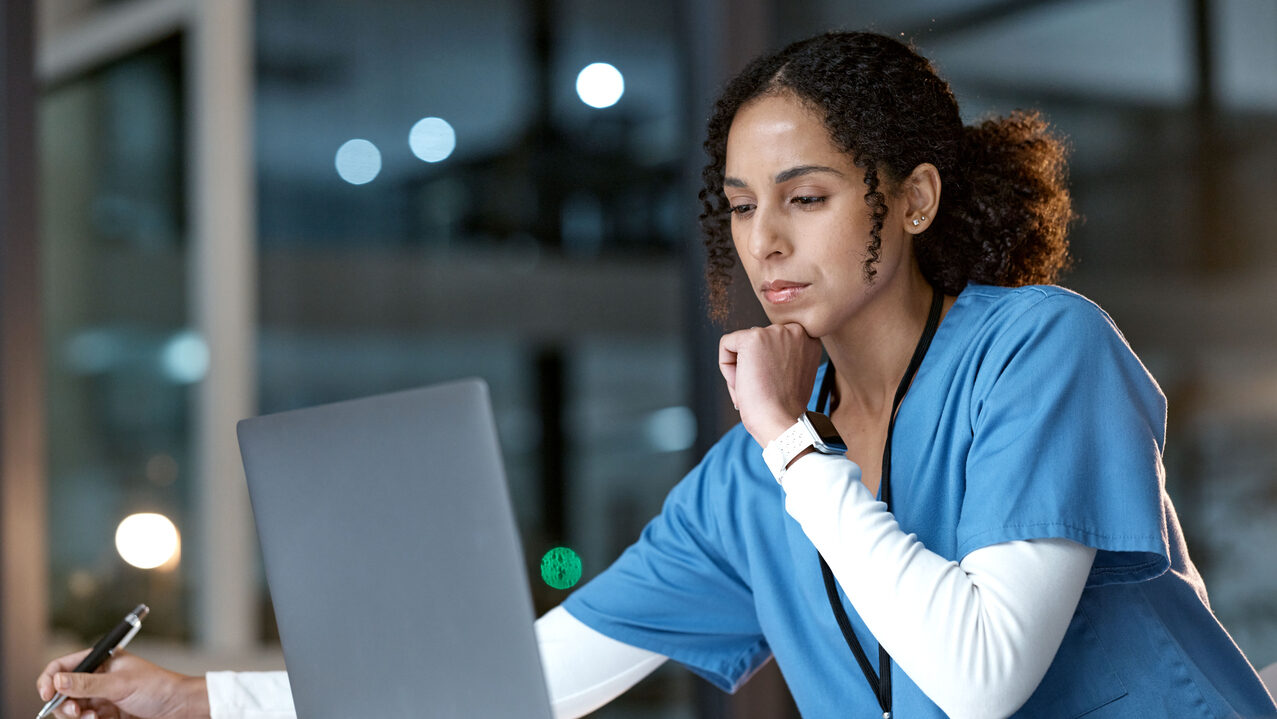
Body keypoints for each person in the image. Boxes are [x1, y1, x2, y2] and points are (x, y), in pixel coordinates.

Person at [38, 31, 1277, 719]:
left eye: (807, 196)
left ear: (908, 198)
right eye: (741, 206)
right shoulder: (744, 488)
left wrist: (792, 442)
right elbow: (516, 687)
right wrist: (197, 703)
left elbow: (979, 675)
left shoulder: (1036, 348)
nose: (766, 242)